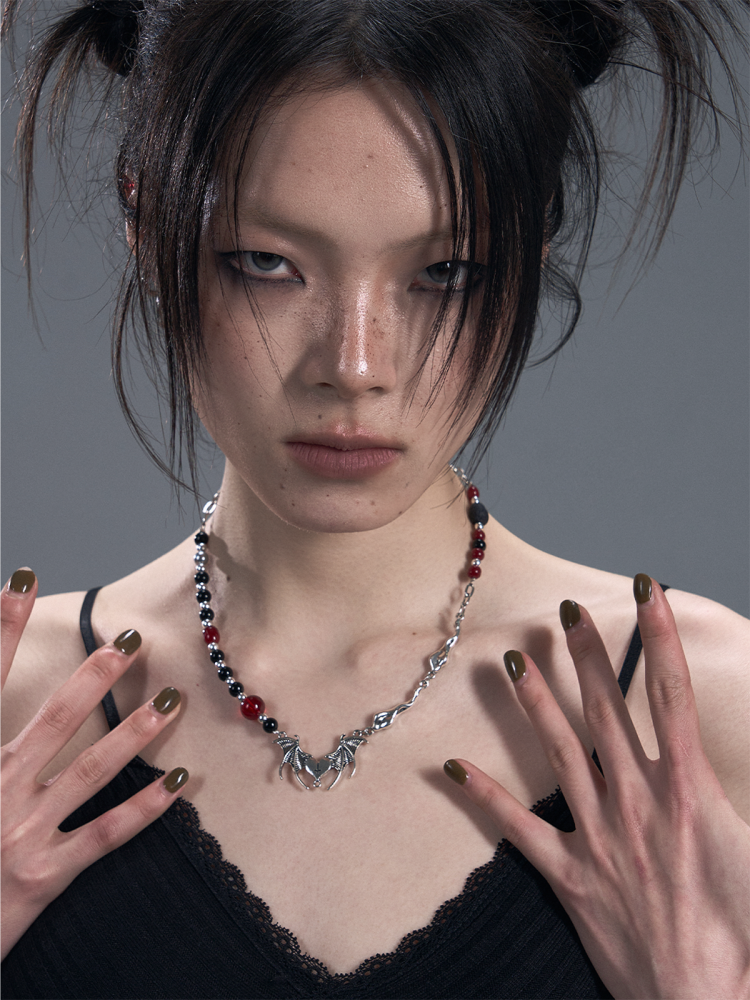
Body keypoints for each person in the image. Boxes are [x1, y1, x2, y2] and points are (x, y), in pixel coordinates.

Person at [1, 2, 749, 998]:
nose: (355, 366)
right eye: (268, 263)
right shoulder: (14, 706)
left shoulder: (708, 716)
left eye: (445, 272)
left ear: (531, 247)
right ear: (146, 222)